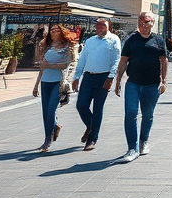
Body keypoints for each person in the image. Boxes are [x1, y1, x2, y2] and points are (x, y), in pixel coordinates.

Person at [115, 12, 167, 162]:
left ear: (153, 23)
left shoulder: (158, 40)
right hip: (133, 83)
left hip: (152, 84)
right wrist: (118, 81)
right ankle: (132, 148)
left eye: (148, 22)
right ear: (138, 23)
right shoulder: (131, 40)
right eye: (142, 22)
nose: (145, 25)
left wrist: (164, 80)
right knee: (130, 113)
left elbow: (164, 61)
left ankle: (144, 140)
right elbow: (123, 61)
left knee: (148, 114)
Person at [71, 18, 122, 152]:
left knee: (98, 108)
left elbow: (117, 60)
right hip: (88, 77)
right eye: (98, 26)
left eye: (103, 25)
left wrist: (111, 77)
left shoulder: (114, 39)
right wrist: (76, 77)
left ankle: (92, 139)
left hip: (103, 77)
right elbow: (82, 59)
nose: (100, 28)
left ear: (108, 26)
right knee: (81, 105)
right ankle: (91, 125)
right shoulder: (90, 41)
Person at [32, 24, 76, 153]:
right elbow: (42, 68)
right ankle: (47, 136)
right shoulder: (47, 48)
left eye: (57, 30)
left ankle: (49, 139)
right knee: (45, 113)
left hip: (58, 82)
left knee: (51, 111)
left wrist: (50, 65)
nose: (54, 32)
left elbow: (66, 65)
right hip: (45, 82)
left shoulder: (67, 48)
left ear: (62, 33)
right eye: (52, 30)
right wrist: (36, 85)